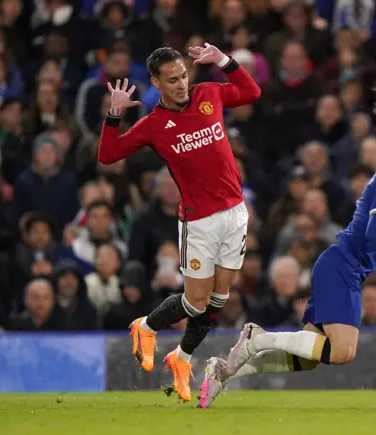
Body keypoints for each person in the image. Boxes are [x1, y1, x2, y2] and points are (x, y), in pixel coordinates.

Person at [196, 84, 376, 408]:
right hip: (342, 267)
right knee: (342, 352)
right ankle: (256, 339)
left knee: (311, 356)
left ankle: (225, 371)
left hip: (342, 268)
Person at [97, 43, 261, 402]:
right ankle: (146, 326)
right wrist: (114, 115)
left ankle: (182, 359)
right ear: (155, 82)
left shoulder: (209, 94)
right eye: (171, 80)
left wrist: (223, 61)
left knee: (219, 298)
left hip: (235, 213)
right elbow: (108, 155)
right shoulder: (154, 125)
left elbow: (252, 91)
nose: (182, 84)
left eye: (184, 75)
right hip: (199, 221)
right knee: (195, 302)